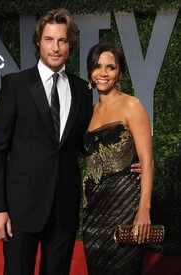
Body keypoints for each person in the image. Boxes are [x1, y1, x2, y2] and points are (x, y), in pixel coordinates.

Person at [0, 9, 141, 274]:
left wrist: (128, 162)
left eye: (62, 40)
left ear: (70, 44)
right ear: (38, 43)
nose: (55, 47)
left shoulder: (82, 89)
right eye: (49, 39)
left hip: (64, 208)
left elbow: (83, 145)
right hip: (21, 208)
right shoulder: (15, 85)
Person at [82, 42, 153, 275]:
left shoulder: (132, 105)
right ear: (90, 72)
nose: (103, 73)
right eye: (97, 66)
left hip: (125, 207)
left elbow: (147, 161)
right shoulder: (89, 111)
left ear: (119, 72)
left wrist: (144, 209)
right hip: (93, 212)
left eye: (110, 67)